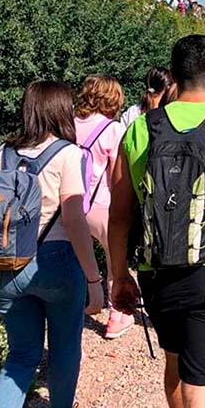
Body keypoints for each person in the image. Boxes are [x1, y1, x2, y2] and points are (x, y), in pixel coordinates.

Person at [109, 35, 205, 408]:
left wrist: (119, 274)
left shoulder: (140, 129)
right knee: (202, 382)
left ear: (174, 76)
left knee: (175, 363)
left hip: (156, 269)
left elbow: (119, 216)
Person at [0, 81, 103, 408]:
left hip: (6, 262)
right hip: (55, 262)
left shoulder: (2, 153)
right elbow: (73, 219)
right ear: (61, 110)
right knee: (65, 352)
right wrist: (94, 279)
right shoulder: (68, 154)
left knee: (21, 356)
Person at [73, 75, 133, 339]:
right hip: (102, 204)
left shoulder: (69, 123)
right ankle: (116, 316)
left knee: (79, 256)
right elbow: (116, 176)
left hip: (72, 204)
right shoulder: (112, 129)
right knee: (115, 261)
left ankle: (91, 300)